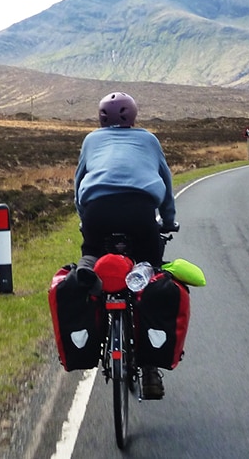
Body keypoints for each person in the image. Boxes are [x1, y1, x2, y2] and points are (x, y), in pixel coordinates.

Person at [74, 91, 177, 399]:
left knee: (92, 252)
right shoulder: (148, 140)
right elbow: (166, 182)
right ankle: (148, 370)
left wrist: (85, 216)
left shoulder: (91, 140)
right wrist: (168, 219)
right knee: (149, 275)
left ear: (100, 118)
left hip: (97, 211)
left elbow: (80, 181)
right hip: (140, 212)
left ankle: (87, 271)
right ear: (133, 116)